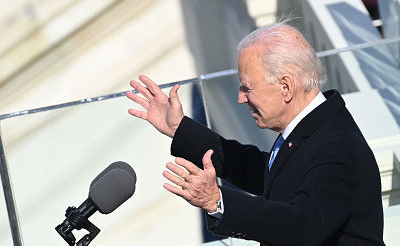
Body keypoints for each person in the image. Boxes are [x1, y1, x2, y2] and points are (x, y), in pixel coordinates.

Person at [126, 22, 385, 246]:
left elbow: (303, 226)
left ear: (285, 87)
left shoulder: (336, 145)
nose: (240, 98)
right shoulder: (313, 128)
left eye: (247, 88)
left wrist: (217, 200)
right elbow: (261, 170)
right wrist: (178, 128)